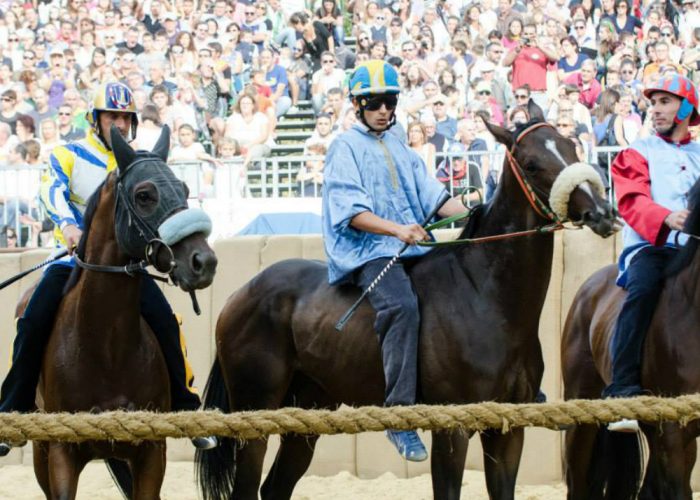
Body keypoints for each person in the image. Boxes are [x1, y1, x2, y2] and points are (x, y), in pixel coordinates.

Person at [0, 82, 217, 456]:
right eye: (110, 116)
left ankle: (185, 404)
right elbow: (51, 191)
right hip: (72, 261)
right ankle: (14, 409)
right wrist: (68, 226)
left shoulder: (138, 162)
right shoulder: (68, 153)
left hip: (128, 268)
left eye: (124, 117)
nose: (117, 122)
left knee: (166, 321)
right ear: (95, 119)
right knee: (32, 318)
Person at [322, 61, 466, 461]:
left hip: (413, 247)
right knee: (401, 306)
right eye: (374, 103)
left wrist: (472, 214)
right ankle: (400, 417)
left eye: (389, 102)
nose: (384, 110)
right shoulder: (343, 147)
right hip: (367, 251)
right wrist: (399, 230)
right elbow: (351, 213)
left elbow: (434, 197)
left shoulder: (400, 144)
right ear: (357, 105)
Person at [604, 75, 700, 432]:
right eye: (653, 103)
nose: (655, 110)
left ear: (687, 108)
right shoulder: (637, 151)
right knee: (643, 290)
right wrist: (666, 217)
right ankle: (623, 389)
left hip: (695, 249)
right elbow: (631, 201)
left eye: (664, 102)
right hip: (652, 248)